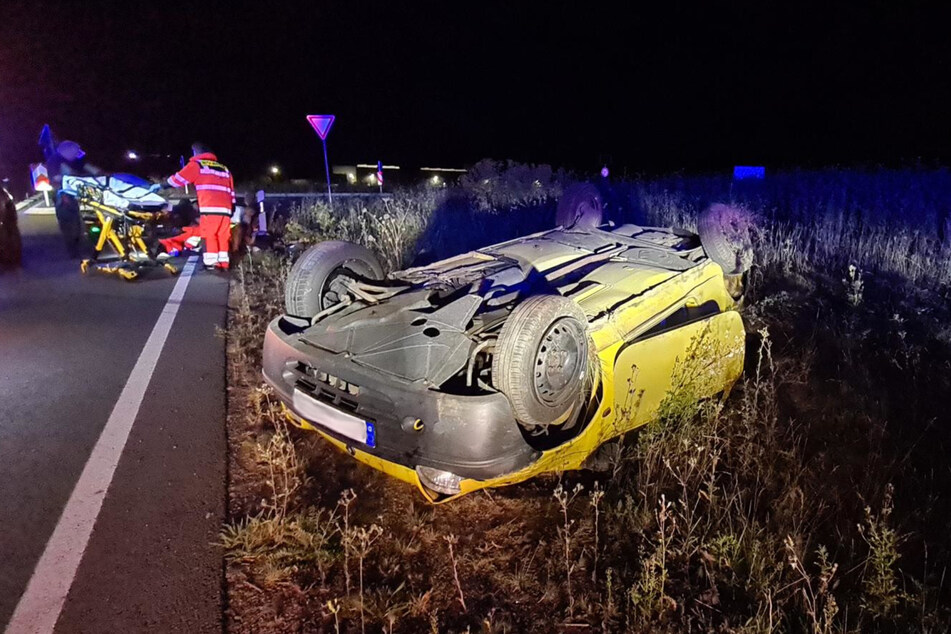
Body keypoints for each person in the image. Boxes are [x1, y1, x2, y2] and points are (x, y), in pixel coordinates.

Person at [153, 143, 235, 270]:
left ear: (198, 153)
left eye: (193, 152)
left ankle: (211, 263)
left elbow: (178, 179)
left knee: (210, 235)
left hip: (210, 208)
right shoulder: (224, 169)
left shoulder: (198, 165)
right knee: (222, 236)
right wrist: (232, 206)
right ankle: (224, 263)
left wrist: (162, 185)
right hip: (226, 209)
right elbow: (231, 190)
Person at [0, 186, 22, 270]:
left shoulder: (4, 195)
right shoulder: (5, 194)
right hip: (7, 223)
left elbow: (5, 209)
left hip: (6, 224)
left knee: (7, 241)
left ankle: (12, 260)